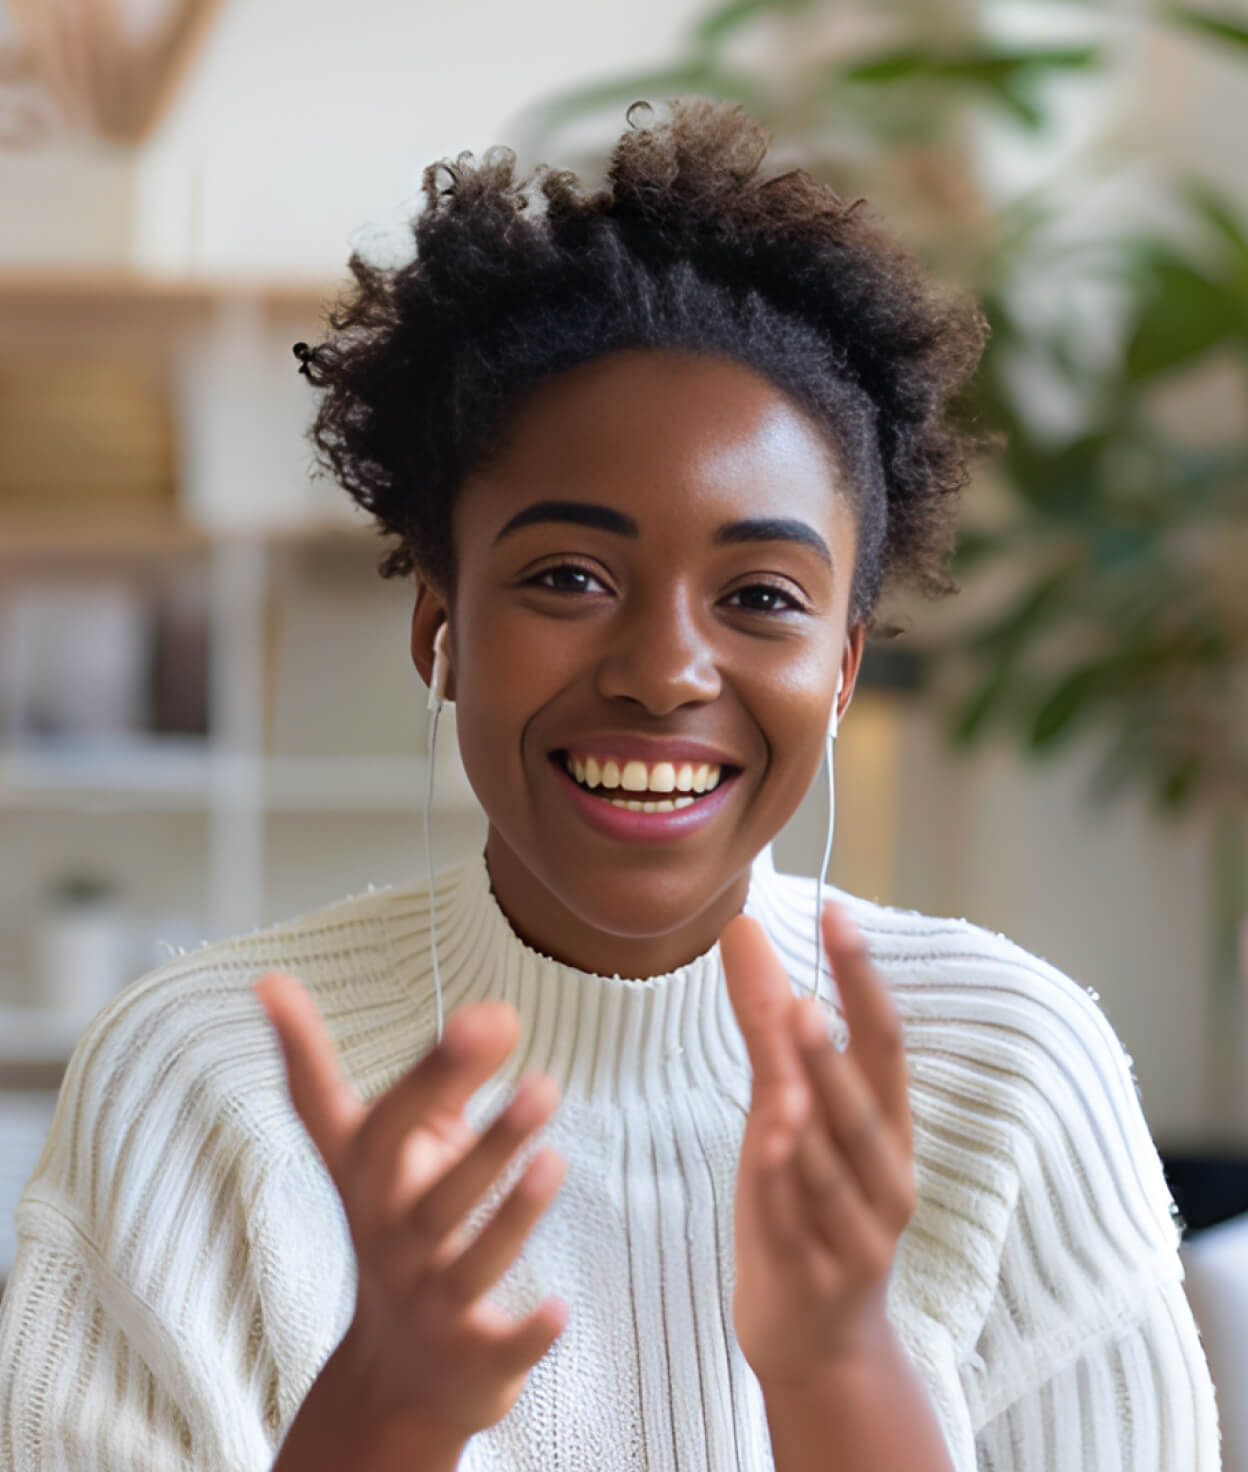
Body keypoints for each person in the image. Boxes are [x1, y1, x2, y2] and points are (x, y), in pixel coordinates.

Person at [0, 98, 1221, 1471]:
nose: (663, 672)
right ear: (441, 627)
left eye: (762, 596)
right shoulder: (201, 1083)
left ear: (842, 669)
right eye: (570, 577)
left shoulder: (1009, 1071)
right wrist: (379, 1417)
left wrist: (842, 1377)